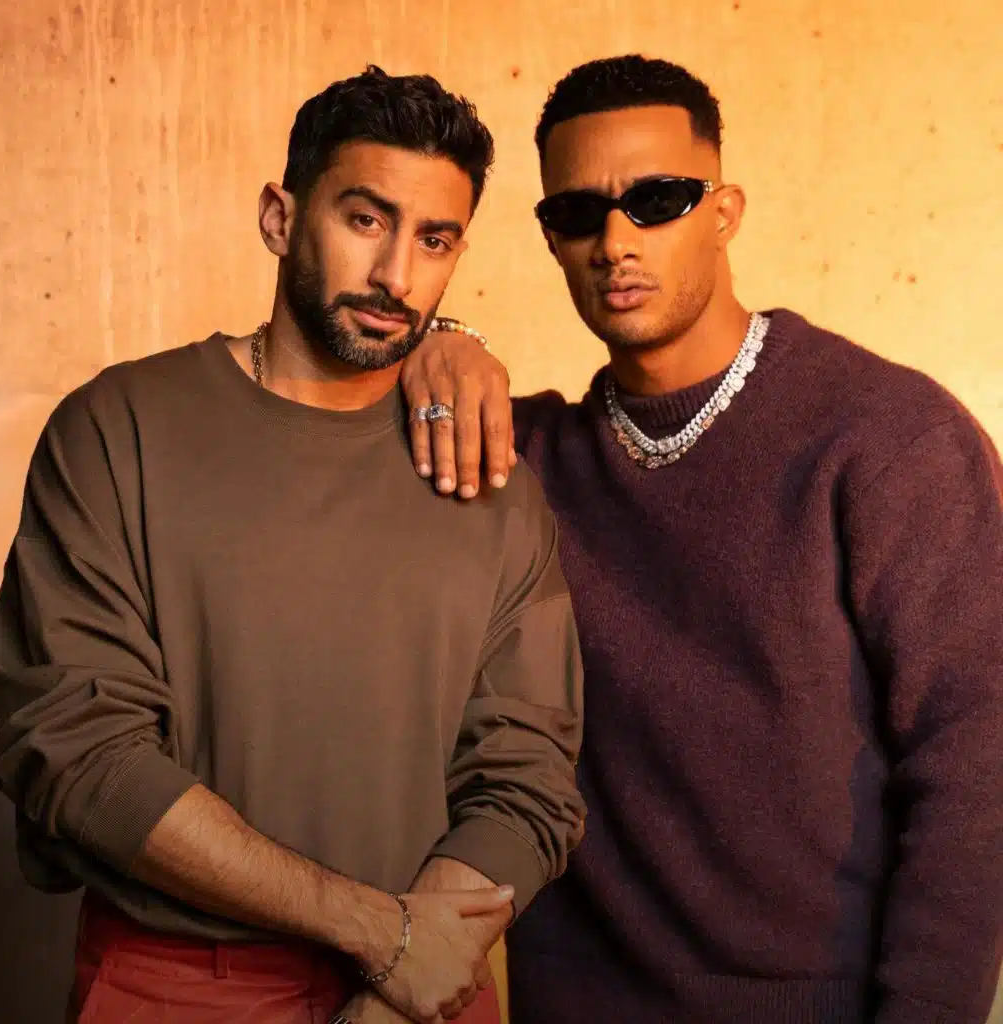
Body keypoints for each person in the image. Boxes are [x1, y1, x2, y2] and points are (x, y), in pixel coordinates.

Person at [398, 55, 1003, 1023]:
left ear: (724, 212)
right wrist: (441, 340)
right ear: (549, 237)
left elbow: (976, 767)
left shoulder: (887, 437)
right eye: (578, 214)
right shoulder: (521, 458)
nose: (615, 242)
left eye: (657, 201)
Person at [0, 66, 585, 1024]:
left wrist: (403, 979)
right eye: (365, 219)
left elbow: (530, 773)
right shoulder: (119, 429)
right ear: (280, 217)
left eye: (434, 240)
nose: (397, 276)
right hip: (180, 983)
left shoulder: (486, 468)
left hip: (431, 986)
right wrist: (378, 932)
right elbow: (80, 748)